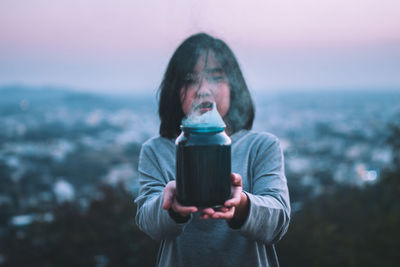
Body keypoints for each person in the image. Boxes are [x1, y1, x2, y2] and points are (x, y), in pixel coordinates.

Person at [135, 33, 290, 267]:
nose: (203, 90)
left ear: (233, 86)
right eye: (190, 79)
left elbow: (278, 222)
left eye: (216, 78)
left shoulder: (261, 147)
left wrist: (242, 205)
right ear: (175, 89)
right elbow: (149, 223)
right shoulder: (157, 150)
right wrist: (173, 206)